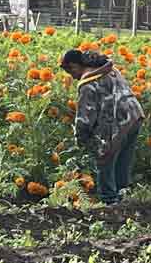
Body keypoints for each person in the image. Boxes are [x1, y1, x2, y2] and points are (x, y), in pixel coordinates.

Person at [60, 49, 144, 205]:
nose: (71, 76)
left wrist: (81, 140)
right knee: (122, 161)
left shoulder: (87, 84)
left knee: (104, 159)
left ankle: (110, 203)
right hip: (134, 115)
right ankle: (123, 198)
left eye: (69, 71)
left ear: (74, 65)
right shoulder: (109, 68)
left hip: (116, 122)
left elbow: (84, 120)